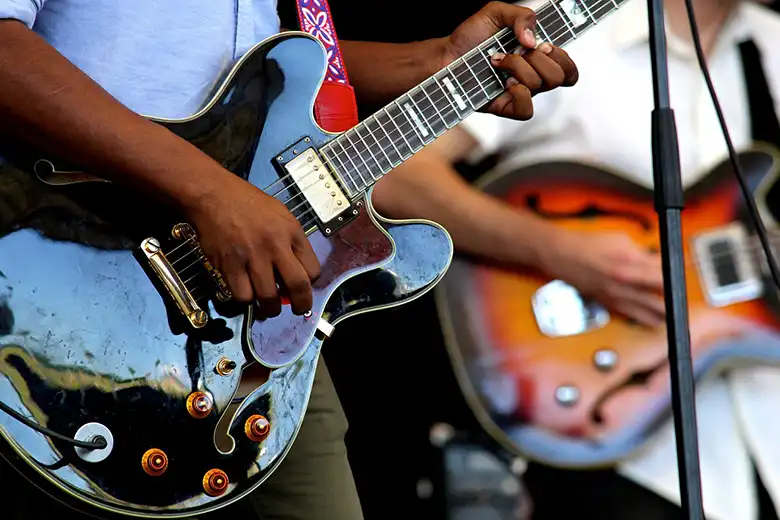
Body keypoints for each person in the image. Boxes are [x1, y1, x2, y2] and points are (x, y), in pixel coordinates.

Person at [0, 1, 580, 519]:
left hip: (245, 322)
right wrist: (210, 192)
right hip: (62, 265)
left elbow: (248, 63)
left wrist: (432, 62)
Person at [366, 0, 780, 519]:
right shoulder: (562, 17)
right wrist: (559, 251)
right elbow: (392, 172)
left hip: (764, 440)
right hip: (603, 441)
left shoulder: (771, 45)